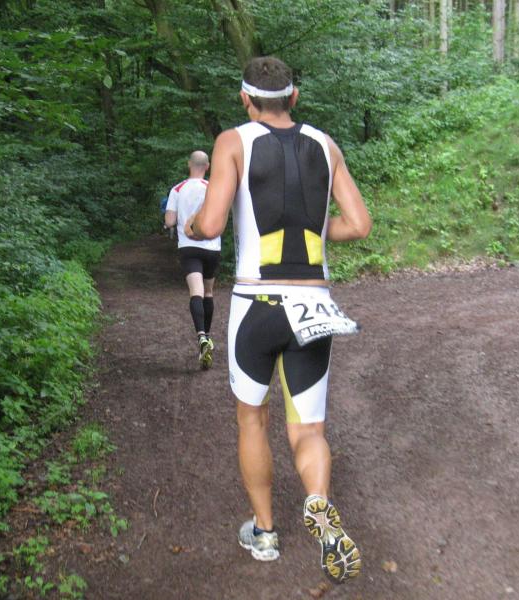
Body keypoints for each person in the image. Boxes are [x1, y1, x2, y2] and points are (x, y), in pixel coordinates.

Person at [184, 56, 372, 583]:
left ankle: (265, 533)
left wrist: (194, 226)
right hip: (314, 304)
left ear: (245, 99)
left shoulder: (232, 141)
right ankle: (318, 501)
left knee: (253, 420)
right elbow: (359, 225)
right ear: (294, 97)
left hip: (256, 303)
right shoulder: (326, 145)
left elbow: (212, 223)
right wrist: (310, 229)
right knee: (308, 428)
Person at [164, 150, 221, 369]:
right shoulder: (213, 188)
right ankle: (208, 336)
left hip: (188, 248)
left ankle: (201, 337)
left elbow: (170, 221)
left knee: (195, 292)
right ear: (207, 166)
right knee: (208, 292)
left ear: (189, 164)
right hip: (211, 247)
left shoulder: (177, 189)